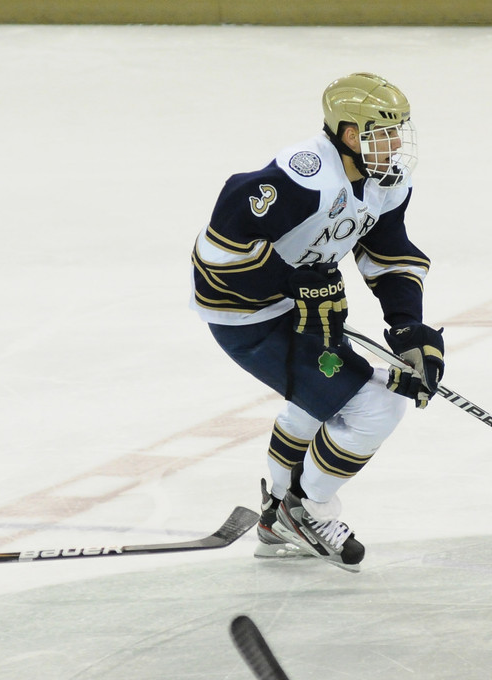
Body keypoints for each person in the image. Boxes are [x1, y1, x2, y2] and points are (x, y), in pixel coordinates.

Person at [190, 73, 444, 572]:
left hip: (301, 308)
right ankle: (304, 509)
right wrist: (290, 281)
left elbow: (389, 254)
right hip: (246, 314)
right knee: (378, 407)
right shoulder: (304, 177)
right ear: (349, 134)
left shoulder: (386, 181)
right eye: (382, 132)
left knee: (323, 397)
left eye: (398, 132)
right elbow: (218, 248)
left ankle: (275, 516)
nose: (393, 145)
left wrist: (408, 329)